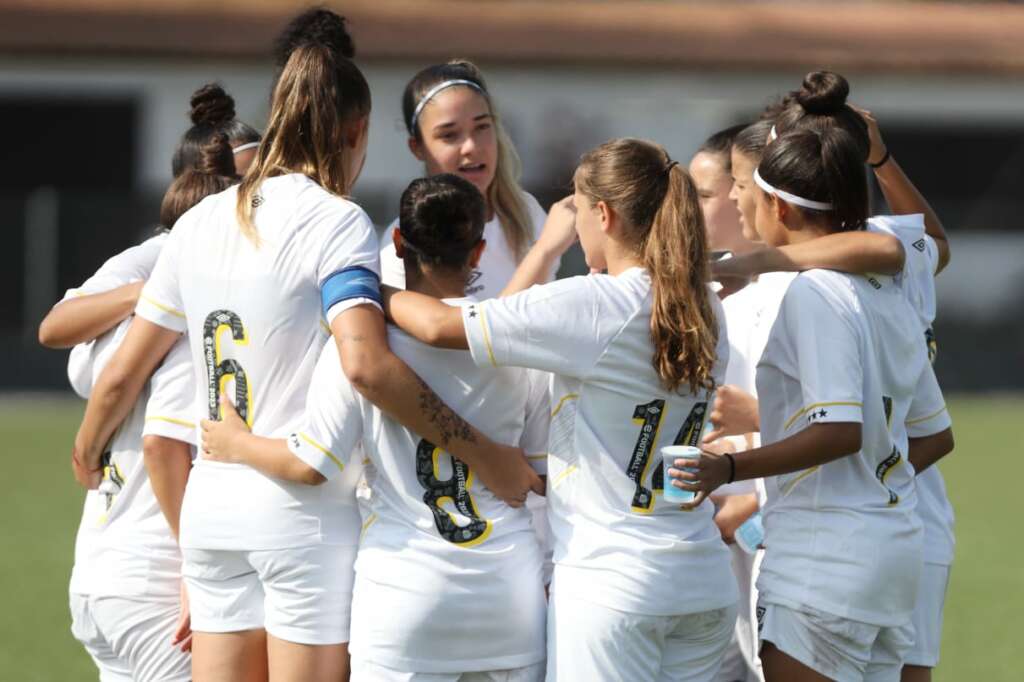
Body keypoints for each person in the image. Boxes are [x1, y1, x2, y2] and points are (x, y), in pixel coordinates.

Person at [70, 44, 541, 682]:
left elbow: (127, 369)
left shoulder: (200, 222)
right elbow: (365, 366)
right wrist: (483, 454)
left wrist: (87, 446)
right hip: (298, 514)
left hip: (212, 511)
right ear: (356, 131)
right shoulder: (337, 221)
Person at [385, 138, 739, 682]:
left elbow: (439, 325)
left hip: (614, 583)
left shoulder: (597, 304)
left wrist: (357, 287)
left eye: (577, 210)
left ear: (604, 215)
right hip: (703, 577)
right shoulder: (704, 303)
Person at [200, 174, 550, 681]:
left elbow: (311, 463)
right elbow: (538, 475)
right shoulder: (517, 345)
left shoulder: (364, 346)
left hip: (403, 596)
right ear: (478, 252)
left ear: (399, 242)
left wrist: (237, 443)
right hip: (508, 597)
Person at [671, 127, 954, 682]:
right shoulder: (887, 287)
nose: (739, 199)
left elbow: (839, 431)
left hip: (825, 559)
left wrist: (729, 468)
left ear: (777, 205)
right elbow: (934, 434)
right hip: (893, 550)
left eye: (747, 188)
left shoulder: (814, 292)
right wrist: (872, 482)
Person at [37, 85, 249, 682]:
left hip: (102, 566)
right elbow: (159, 439)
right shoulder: (178, 282)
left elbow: (105, 378)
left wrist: (88, 442)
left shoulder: (185, 287)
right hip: (156, 581)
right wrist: (161, 290)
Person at [379, 60, 556, 299]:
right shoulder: (405, 240)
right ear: (417, 147)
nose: (471, 146)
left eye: (481, 127)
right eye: (449, 134)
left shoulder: (528, 213)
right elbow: (455, 323)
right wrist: (544, 252)